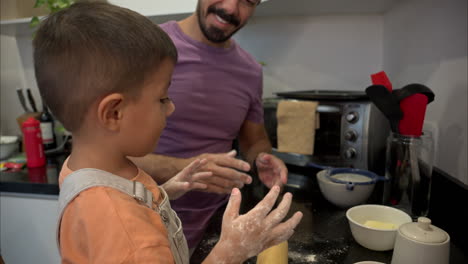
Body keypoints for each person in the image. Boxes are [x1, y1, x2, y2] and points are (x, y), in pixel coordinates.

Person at [33, 2, 302, 263]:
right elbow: (127, 225)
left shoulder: (82, 169)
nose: (171, 107)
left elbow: (123, 195)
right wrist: (231, 252)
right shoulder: (135, 240)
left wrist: (165, 191)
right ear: (114, 113)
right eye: (163, 98)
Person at [131, 0, 290, 251]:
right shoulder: (146, 47)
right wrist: (187, 168)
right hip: (141, 222)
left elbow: (254, 140)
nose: (230, 8)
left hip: (216, 231)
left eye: (247, 1)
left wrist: (261, 157)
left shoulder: (249, 70)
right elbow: (105, 153)